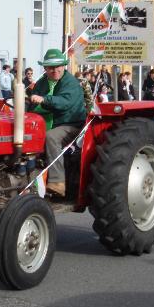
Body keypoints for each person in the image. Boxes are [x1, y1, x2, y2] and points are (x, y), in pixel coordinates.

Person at [29, 49, 86, 197]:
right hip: (47, 122)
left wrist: (44, 99)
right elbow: (32, 102)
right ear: (45, 68)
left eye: (58, 66)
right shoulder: (41, 83)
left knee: (51, 137)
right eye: (50, 67)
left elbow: (65, 103)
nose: (55, 70)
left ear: (63, 66)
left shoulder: (70, 82)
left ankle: (57, 182)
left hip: (69, 124)